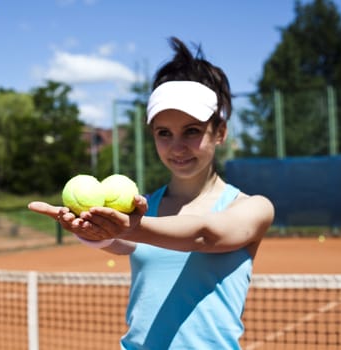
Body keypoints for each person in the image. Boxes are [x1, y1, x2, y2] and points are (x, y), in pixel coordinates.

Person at [28, 36, 274, 349]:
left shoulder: (253, 208)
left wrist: (132, 226)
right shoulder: (142, 206)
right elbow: (120, 243)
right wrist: (91, 231)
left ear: (220, 132)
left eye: (192, 131)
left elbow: (206, 235)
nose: (177, 147)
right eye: (164, 133)